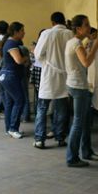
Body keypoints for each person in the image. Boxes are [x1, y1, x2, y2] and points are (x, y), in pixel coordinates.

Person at [64, 14, 98, 167]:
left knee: (85, 121)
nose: (89, 27)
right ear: (79, 29)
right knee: (79, 122)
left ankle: (86, 151)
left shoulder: (74, 42)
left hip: (75, 84)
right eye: (86, 25)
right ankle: (72, 157)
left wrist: (89, 44)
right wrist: (95, 47)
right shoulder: (76, 44)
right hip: (79, 86)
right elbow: (86, 62)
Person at [33, 12, 73, 149]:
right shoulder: (70, 34)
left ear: (52, 22)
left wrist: (47, 61)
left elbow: (37, 54)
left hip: (49, 76)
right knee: (62, 109)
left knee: (42, 108)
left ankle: (39, 139)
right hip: (65, 76)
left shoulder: (47, 34)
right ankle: (60, 138)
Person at [0, 22, 29, 139]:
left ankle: (9, 128)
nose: (24, 33)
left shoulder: (11, 42)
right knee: (19, 100)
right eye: (22, 30)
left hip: (8, 76)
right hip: (11, 76)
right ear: (16, 32)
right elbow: (18, 60)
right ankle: (13, 128)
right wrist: (27, 57)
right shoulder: (11, 43)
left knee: (10, 102)